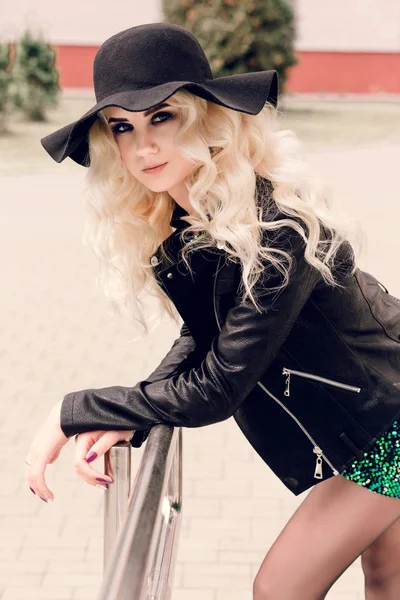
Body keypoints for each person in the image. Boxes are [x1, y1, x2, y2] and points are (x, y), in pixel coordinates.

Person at [25, 22, 400, 600]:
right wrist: (135, 409)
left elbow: (219, 387)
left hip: (390, 423)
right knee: (388, 576)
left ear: (206, 119)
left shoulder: (274, 228)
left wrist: (74, 409)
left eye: (162, 118)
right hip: (373, 420)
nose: (142, 146)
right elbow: (205, 338)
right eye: (122, 127)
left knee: (280, 588)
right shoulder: (187, 222)